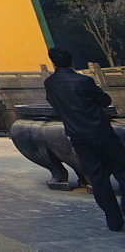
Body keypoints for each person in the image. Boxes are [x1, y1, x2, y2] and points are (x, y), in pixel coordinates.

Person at [44, 46, 125, 232]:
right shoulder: (82, 81)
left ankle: (114, 221)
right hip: (101, 132)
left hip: (77, 136)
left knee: (98, 178)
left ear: (53, 62)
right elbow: (105, 101)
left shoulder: (50, 83)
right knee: (122, 169)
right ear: (71, 61)